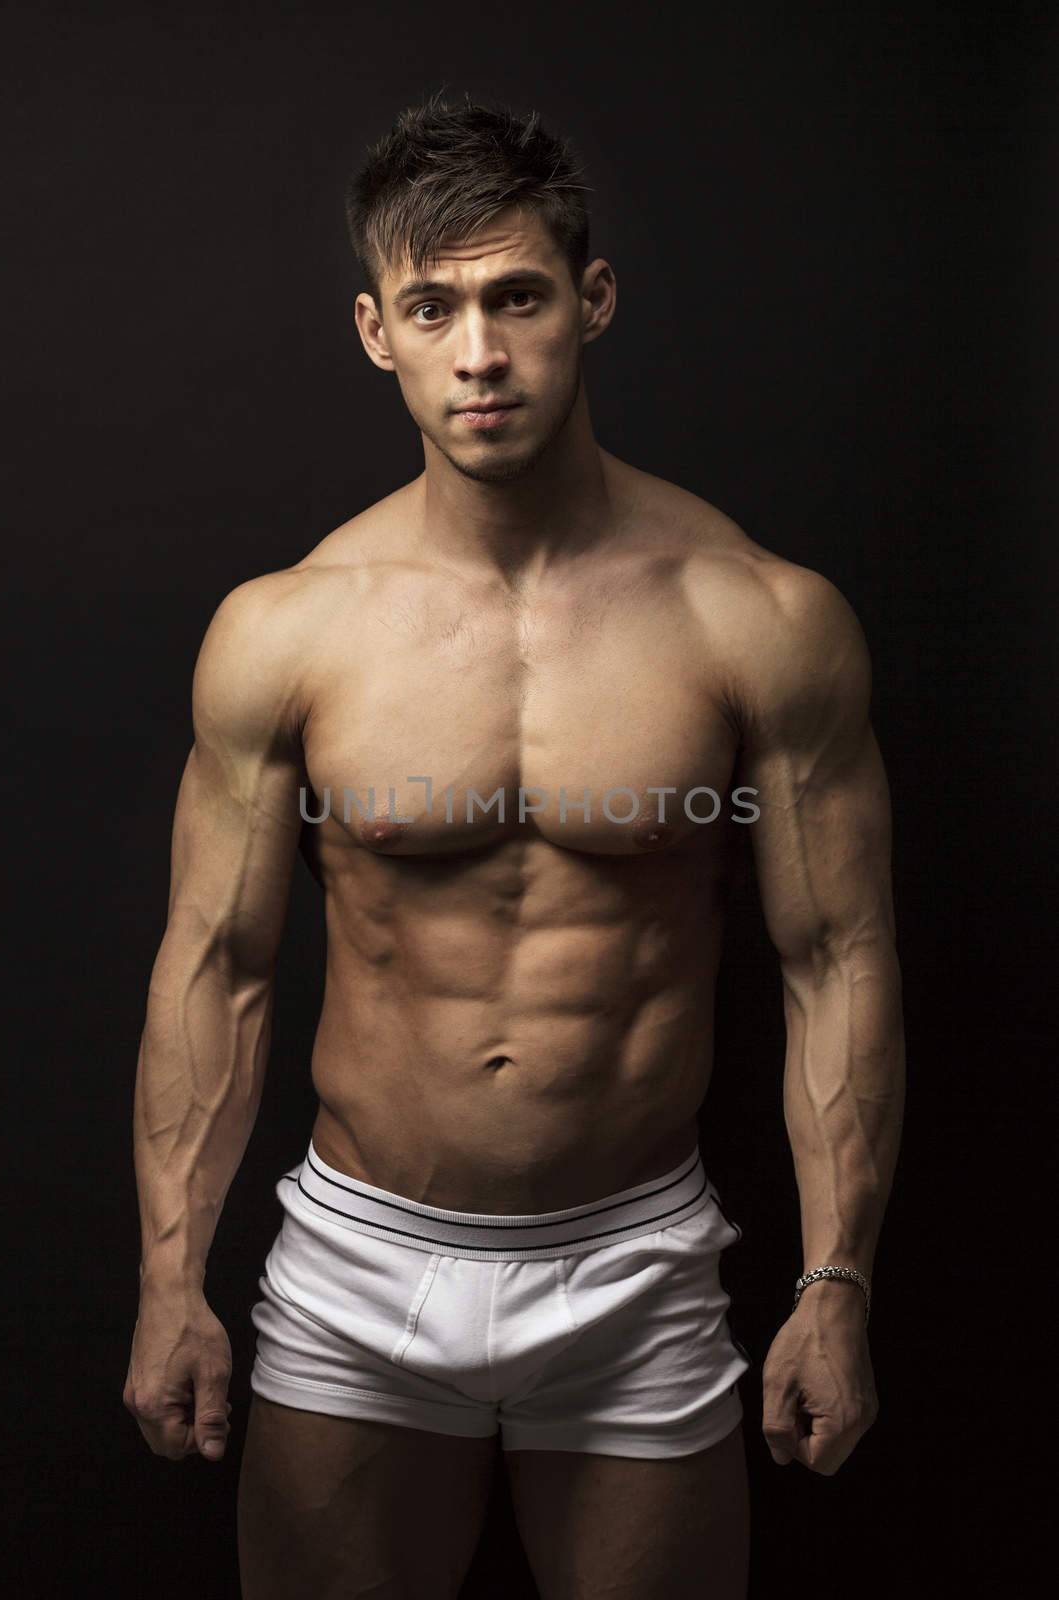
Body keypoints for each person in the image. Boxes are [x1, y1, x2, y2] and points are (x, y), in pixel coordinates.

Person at [123, 92, 905, 1600]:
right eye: (433, 307)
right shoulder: (288, 632)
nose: (478, 353)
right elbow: (215, 966)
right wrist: (168, 1279)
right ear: (376, 331)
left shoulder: (756, 618)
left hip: (635, 1265)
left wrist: (836, 1282)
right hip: (359, 1268)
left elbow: (839, 961)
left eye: (517, 297)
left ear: (590, 301)